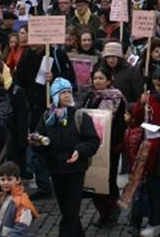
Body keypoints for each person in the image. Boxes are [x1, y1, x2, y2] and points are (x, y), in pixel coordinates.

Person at [30, 78, 100, 237]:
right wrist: (36, 142)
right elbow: (40, 140)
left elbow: (93, 140)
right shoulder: (47, 116)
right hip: (56, 169)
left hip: (76, 169)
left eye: (69, 91)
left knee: (71, 210)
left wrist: (79, 151)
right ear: (55, 96)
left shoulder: (80, 116)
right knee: (66, 209)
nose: (67, 95)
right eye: (63, 93)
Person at [14, 40, 76, 200]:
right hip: (35, 110)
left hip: (55, 108)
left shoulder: (57, 54)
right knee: (38, 147)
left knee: (59, 145)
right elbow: (19, 79)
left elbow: (71, 79)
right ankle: (44, 185)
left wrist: (55, 77)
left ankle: (62, 181)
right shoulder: (27, 55)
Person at [128, 67, 160, 237]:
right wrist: (141, 104)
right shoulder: (152, 98)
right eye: (155, 85)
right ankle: (155, 222)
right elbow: (137, 120)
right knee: (152, 189)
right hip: (153, 151)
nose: (158, 89)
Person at [82, 66, 127, 227]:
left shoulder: (116, 97)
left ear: (109, 80)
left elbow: (120, 124)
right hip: (93, 145)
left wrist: (110, 140)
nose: (97, 81)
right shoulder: (91, 95)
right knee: (95, 179)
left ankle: (111, 211)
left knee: (108, 180)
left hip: (110, 146)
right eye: (95, 78)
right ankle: (103, 211)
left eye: (101, 78)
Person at [0, 161, 39, 237]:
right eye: (3, 179)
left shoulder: (22, 201)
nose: (5, 183)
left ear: (18, 180)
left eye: (9, 179)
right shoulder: (1, 196)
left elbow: (22, 227)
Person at [101, 42, 144, 112]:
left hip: (126, 111)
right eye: (108, 57)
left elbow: (138, 95)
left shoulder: (131, 71)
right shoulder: (103, 71)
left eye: (113, 57)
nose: (110, 60)